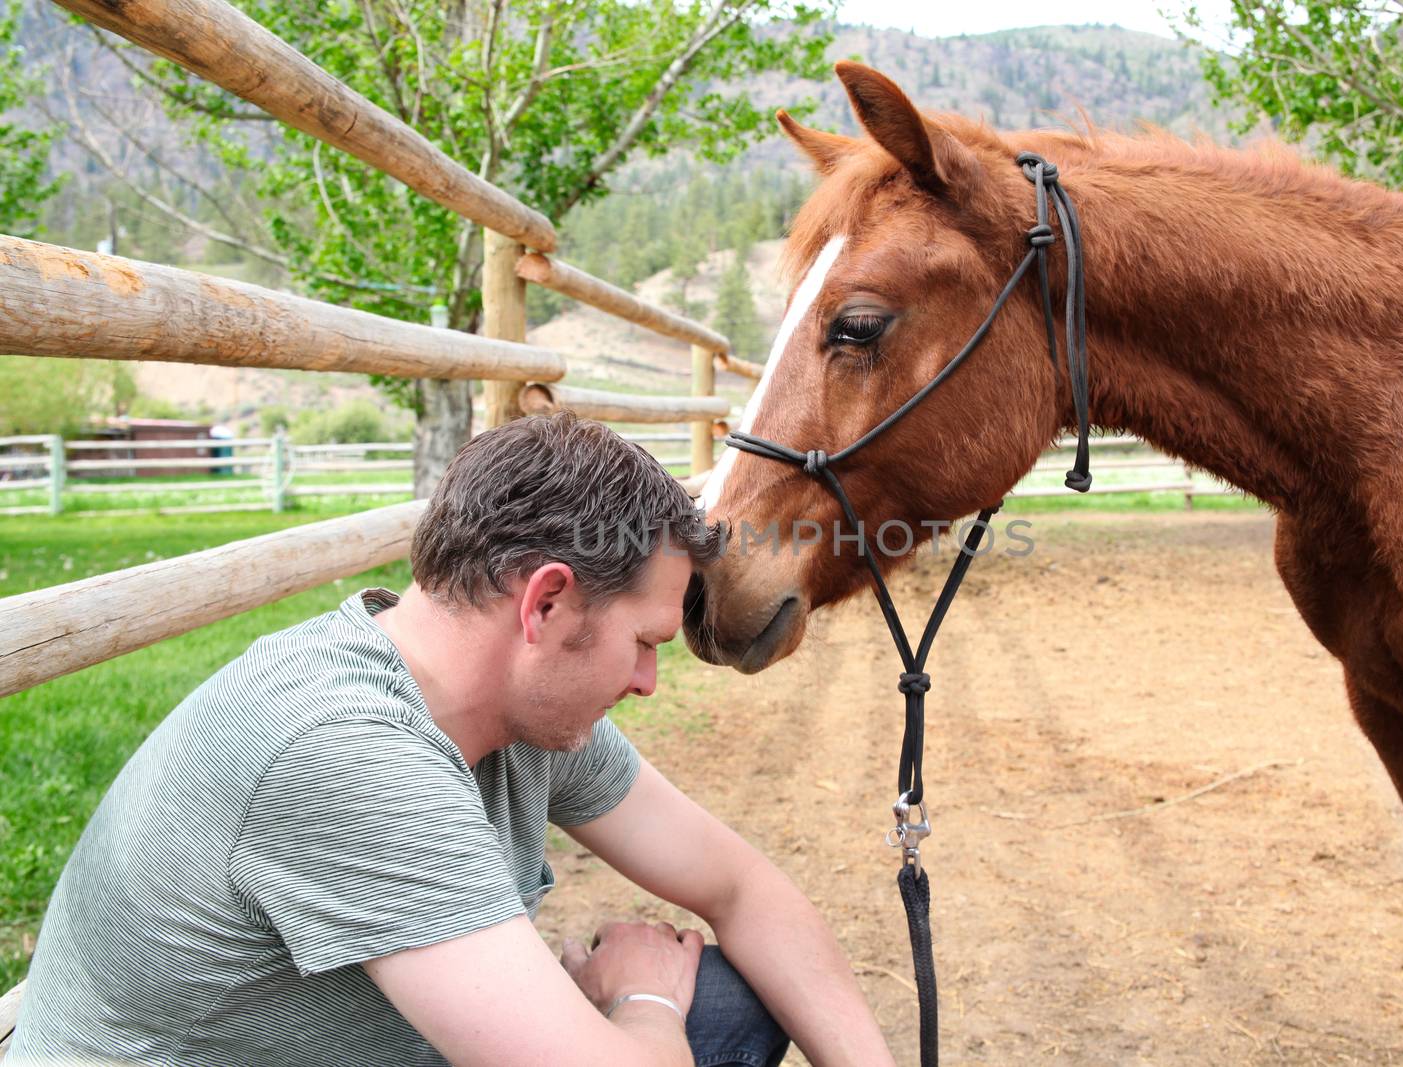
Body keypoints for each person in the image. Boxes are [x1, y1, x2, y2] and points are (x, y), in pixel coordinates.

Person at [9, 413, 895, 1067]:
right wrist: (644, 1001)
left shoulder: (520, 707)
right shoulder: (344, 751)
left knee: (735, 1006)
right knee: (687, 1013)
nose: (647, 681)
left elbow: (742, 887)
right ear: (545, 604)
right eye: (646, 643)